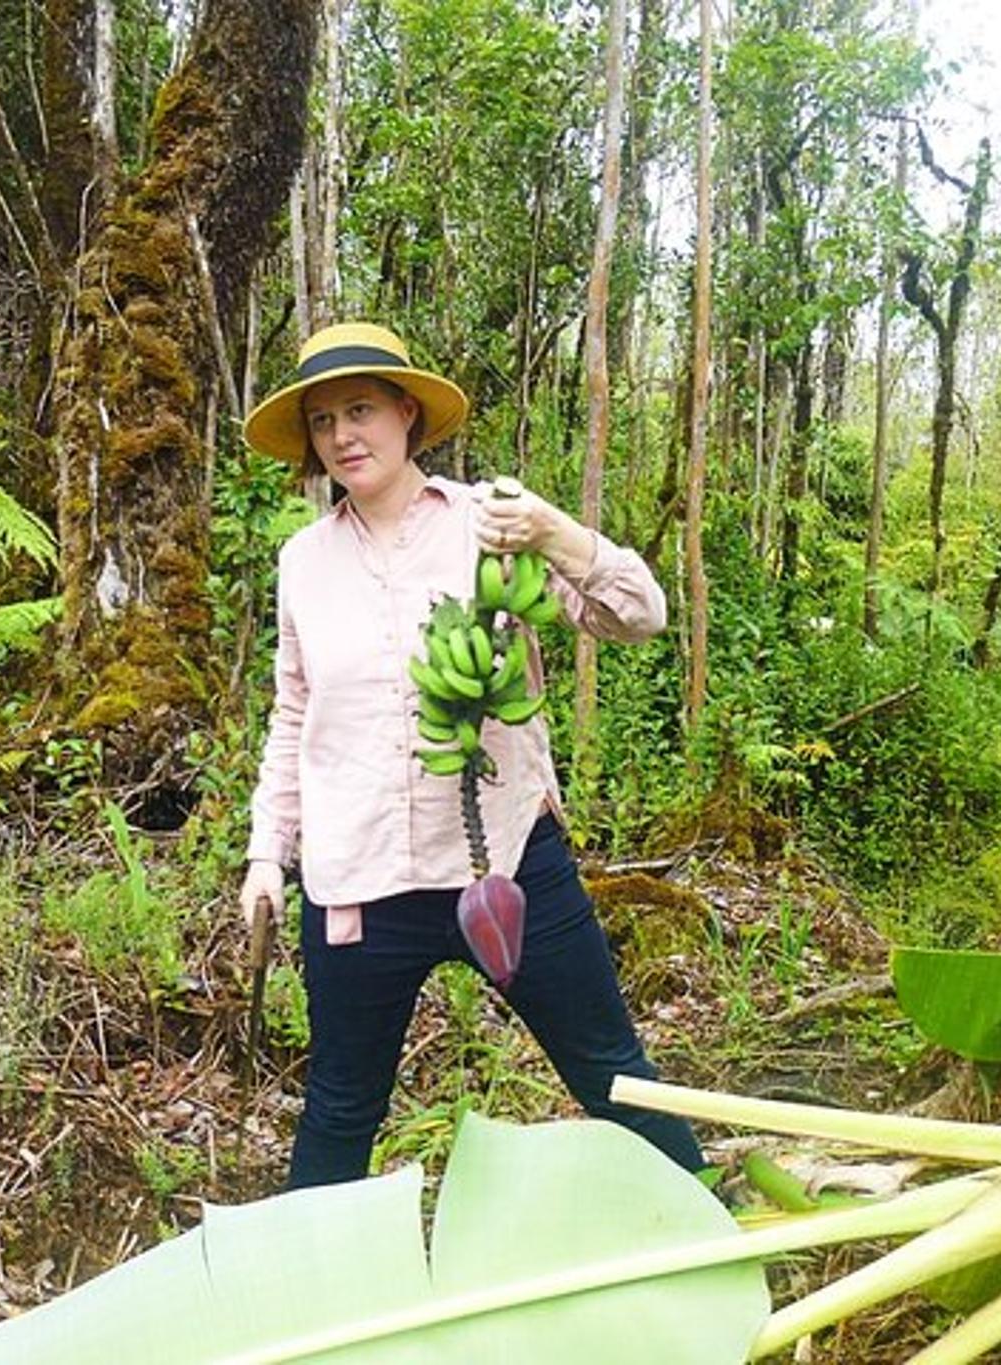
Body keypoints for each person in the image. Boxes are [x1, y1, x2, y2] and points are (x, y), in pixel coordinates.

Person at [237, 320, 703, 1189]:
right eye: (324, 419)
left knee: (611, 1070)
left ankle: (721, 1232)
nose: (343, 435)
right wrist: (269, 853)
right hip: (356, 884)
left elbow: (639, 615)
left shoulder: (490, 526)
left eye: (362, 409)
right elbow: (294, 713)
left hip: (506, 857)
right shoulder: (303, 561)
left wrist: (556, 531)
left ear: (408, 413)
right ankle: (307, 1298)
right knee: (341, 1106)